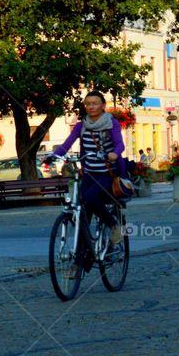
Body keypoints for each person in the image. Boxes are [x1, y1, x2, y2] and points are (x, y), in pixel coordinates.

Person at [52, 90, 127, 245]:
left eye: (95, 103)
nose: (91, 107)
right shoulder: (81, 126)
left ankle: (114, 225)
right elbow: (67, 143)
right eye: (88, 104)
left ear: (102, 105)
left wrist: (114, 153)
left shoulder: (111, 123)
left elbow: (120, 144)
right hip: (89, 174)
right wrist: (54, 155)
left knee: (90, 198)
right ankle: (82, 256)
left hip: (107, 173)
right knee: (84, 212)